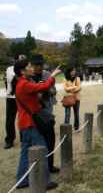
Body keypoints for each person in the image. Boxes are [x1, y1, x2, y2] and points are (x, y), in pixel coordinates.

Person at [14, 58, 61, 190]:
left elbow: (36, 93)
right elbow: (44, 86)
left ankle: (21, 180)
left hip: (25, 123)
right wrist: (52, 76)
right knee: (42, 150)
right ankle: (44, 181)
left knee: (25, 153)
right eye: (29, 66)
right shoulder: (24, 84)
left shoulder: (23, 83)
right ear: (23, 71)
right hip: (30, 123)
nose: (32, 68)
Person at [30, 54, 59, 173]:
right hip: (35, 114)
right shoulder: (29, 77)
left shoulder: (47, 75)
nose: (39, 67)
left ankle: (50, 165)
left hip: (47, 112)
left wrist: (48, 89)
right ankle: (39, 169)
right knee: (38, 144)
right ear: (32, 65)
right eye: (37, 64)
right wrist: (40, 89)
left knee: (50, 141)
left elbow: (53, 90)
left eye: (41, 64)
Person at [4, 54, 26, 149]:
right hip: (11, 97)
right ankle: (9, 140)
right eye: (20, 59)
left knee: (22, 118)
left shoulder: (25, 70)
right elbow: (7, 81)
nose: (22, 60)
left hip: (21, 97)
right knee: (9, 120)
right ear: (16, 60)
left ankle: (23, 139)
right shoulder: (9, 69)